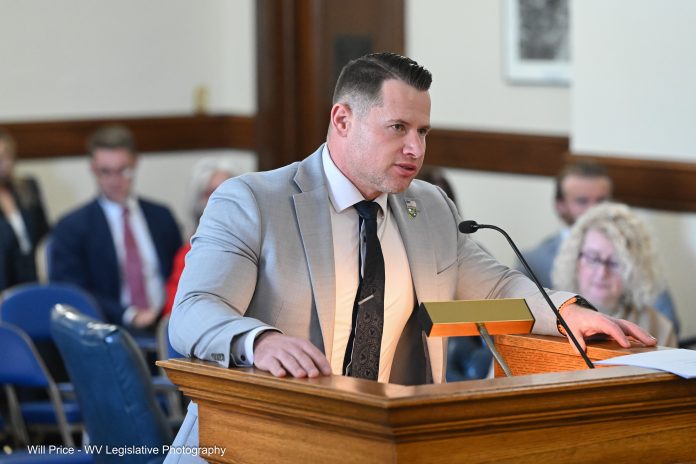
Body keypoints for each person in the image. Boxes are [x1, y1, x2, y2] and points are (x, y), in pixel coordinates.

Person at [165, 53, 655, 461]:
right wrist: (259, 340)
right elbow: (192, 312)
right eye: (398, 128)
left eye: (423, 131)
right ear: (342, 120)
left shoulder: (430, 208)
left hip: (374, 446)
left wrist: (566, 311)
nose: (415, 149)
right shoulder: (253, 201)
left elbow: (498, 287)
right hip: (251, 444)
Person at [518, 160, 680, 334]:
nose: (594, 209)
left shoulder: (635, 250)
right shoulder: (533, 261)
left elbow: (667, 325)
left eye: (601, 200)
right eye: (582, 201)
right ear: (561, 206)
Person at [49, 125, 182, 331]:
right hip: (108, 328)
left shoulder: (161, 216)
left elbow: (182, 272)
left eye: (123, 170)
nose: (114, 180)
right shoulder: (73, 226)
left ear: (135, 163)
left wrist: (166, 312)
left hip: (169, 323)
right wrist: (130, 315)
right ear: (93, 169)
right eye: (105, 171)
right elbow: (74, 292)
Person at [552, 202, 677, 347]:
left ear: (634, 270)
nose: (601, 273)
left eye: (614, 263)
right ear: (574, 259)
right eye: (593, 258)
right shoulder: (552, 316)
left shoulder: (661, 329)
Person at [162, 158, 236, 316]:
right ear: (197, 201)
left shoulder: (257, 242)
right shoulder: (188, 252)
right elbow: (174, 310)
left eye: (226, 190)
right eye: (210, 193)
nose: (220, 198)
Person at [0, 128, 50, 291]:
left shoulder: (27, 187)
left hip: (34, 272)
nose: (5, 164)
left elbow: (44, 232)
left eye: (8, 156)